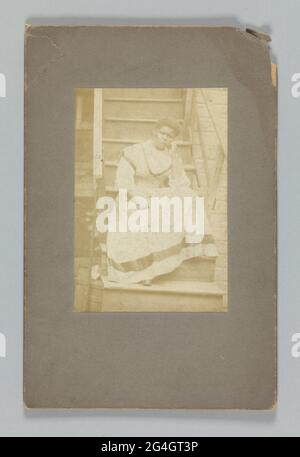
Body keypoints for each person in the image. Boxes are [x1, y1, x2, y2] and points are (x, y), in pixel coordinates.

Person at [105, 117, 205, 285]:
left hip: (157, 195)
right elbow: (124, 182)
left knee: (188, 198)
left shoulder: (171, 156)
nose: (165, 138)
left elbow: (181, 183)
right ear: (155, 132)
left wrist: (174, 159)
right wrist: (139, 197)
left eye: (170, 136)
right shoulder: (135, 151)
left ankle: (165, 260)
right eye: (163, 133)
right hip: (134, 194)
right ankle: (143, 271)